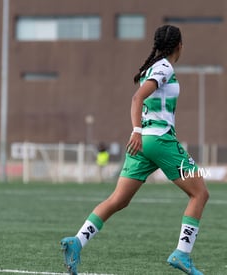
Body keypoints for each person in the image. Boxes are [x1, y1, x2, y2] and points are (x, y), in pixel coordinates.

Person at [60, 25, 209, 275]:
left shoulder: (151, 68)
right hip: (158, 140)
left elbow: (140, 99)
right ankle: (182, 254)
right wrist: (137, 130)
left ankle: (77, 242)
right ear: (180, 46)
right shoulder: (164, 68)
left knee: (118, 200)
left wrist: (139, 133)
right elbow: (137, 98)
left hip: (143, 145)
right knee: (200, 194)